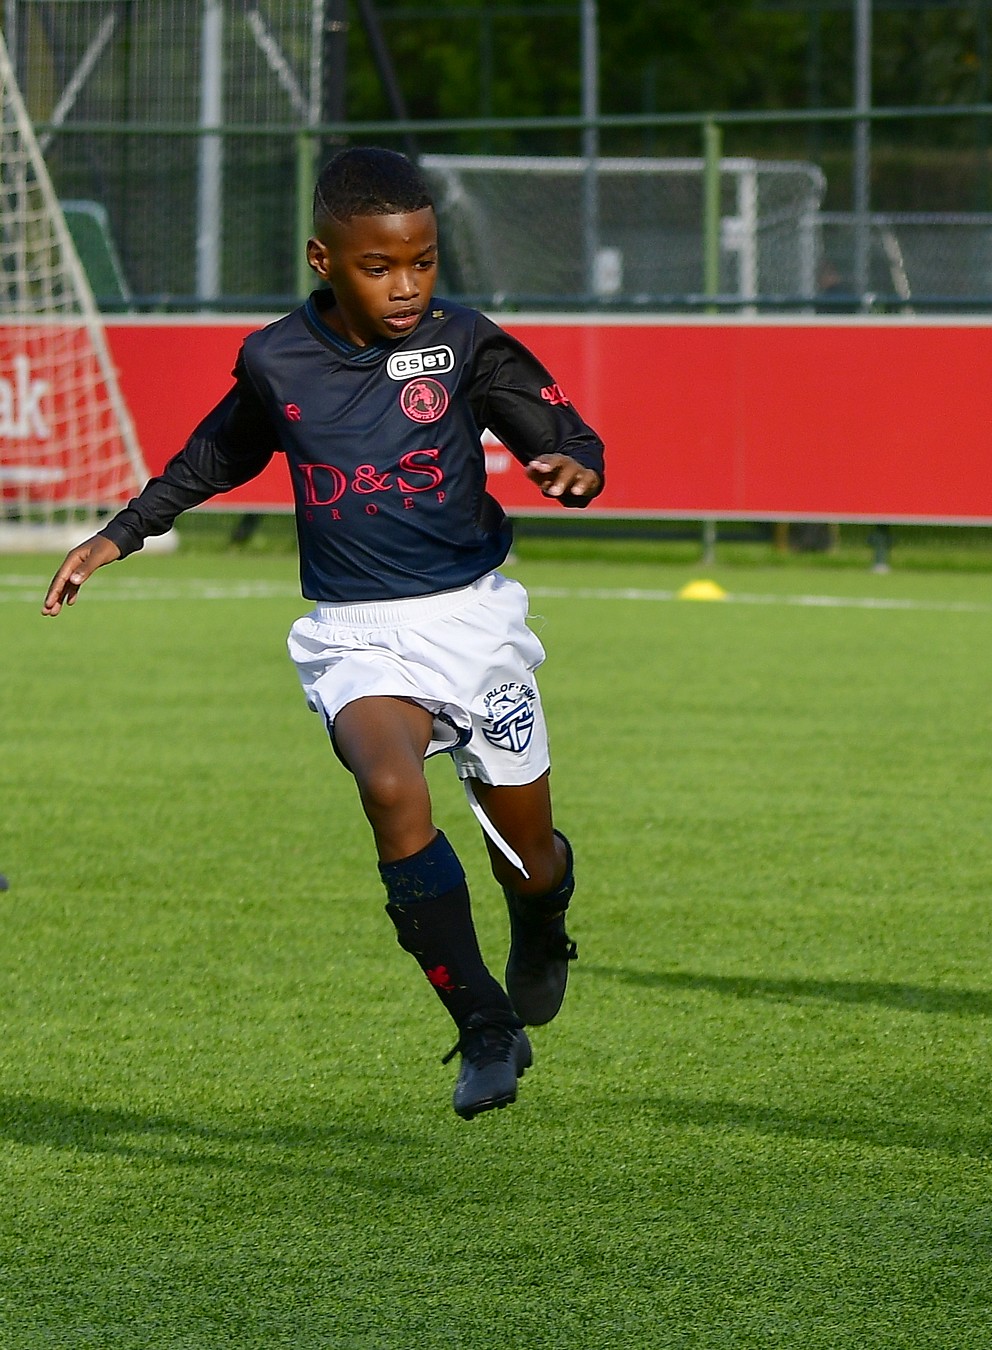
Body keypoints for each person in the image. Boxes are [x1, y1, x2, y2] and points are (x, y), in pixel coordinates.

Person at [40, 147, 604, 1118]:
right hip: (357, 635)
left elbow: (565, 438)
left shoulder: (465, 343)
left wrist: (573, 470)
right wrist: (119, 533)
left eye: (422, 262)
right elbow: (217, 453)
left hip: (474, 623)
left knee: (529, 855)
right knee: (389, 787)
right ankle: (483, 1025)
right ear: (323, 259)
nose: (406, 285)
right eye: (380, 266)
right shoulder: (277, 359)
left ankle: (543, 919)